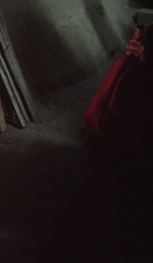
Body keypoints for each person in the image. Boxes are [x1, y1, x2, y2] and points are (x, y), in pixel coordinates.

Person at [82, 23, 153, 262]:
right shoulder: (138, 77)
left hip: (107, 142)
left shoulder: (133, 66)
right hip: (111, 145)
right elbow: (119, 115)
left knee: (115, 203)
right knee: (118, 205)